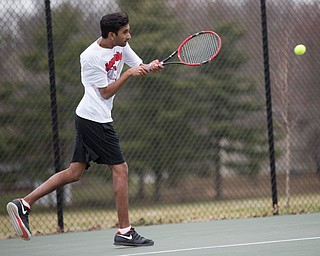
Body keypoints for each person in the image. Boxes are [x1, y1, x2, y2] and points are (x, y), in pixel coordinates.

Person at [6, 12, 163, 246]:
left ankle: (24, 203)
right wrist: (129, 74)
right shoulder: (90, 57)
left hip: (90, 117)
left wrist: (149, 67)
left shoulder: (121, 46)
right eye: (125, 32)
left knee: (74, 173)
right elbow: (106, 92)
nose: (129, 36)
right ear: (112, 35)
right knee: (120, 169)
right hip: (94, 119)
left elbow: (137, 65)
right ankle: (125, 231)